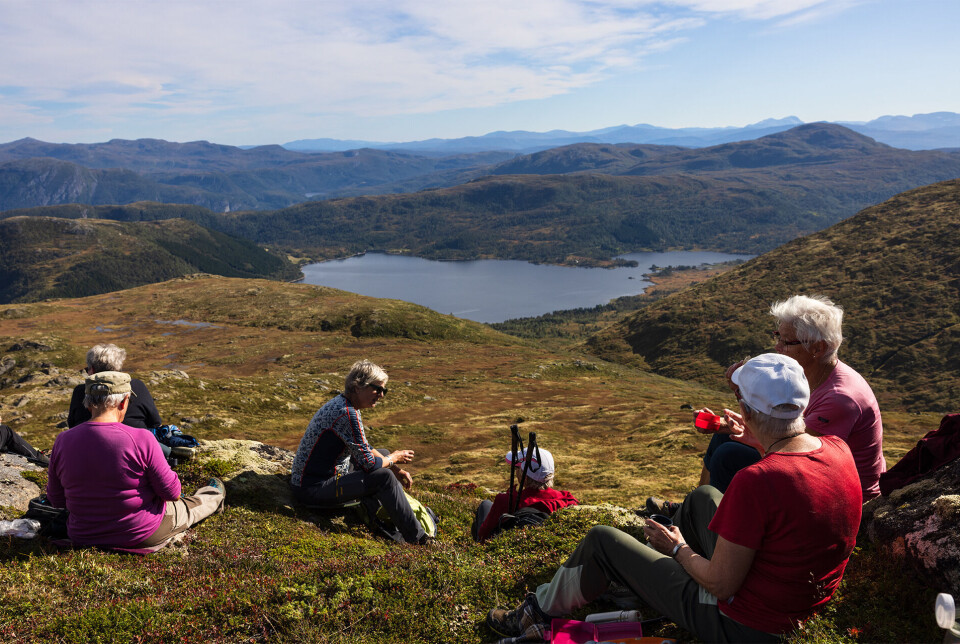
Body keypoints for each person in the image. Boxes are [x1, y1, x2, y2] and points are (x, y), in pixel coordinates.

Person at [488, 354, 862, 643]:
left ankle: (535, 614)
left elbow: (722, 585)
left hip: (745, 625)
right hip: (796, 605)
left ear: (747, 411)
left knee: (603, 541)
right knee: (703, 497)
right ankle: (646, 581)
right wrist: (757, 438)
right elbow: (792, 468)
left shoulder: (758, 481)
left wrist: (678, 549)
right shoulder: (838, 450)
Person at [693, 294, 884, 499]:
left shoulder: (840, 399)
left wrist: (743, 397)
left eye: (787, 342)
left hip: (842, 493)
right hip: (814, 468)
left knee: (729, 456)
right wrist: (730, 423)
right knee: (723, 437)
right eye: (778, 336)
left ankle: (710, 525)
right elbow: (784, 432)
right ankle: (694, 507)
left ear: (817, 348)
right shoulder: (811, 376)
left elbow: (794, 454)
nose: (777, 347)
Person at [46, 371, 224, 549]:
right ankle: (214, 494)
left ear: (88, 402)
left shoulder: (63, 440)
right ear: (123, 402)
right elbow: (172, 493)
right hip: (140, 533)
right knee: (191, 506)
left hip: (83, 535)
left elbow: (57, 500)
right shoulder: (141, 438)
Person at [290, 360, 427, 545]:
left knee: (383, 455)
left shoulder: (345, 405)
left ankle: (385, 518)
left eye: (383, 391)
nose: (381, 395)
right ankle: (418, 540)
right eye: (377, 389)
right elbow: (369, 464)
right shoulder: (346, 413)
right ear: (357, 386)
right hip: (311, 490)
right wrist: (394, 458)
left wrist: (396, 468)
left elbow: (364, 449)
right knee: (383, 476)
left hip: (318, 478)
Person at [67, 343, 193, 460]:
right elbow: (155, 422)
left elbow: (72, 426)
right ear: (124, 401)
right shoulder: (137, 386)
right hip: (138, 452)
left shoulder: (80, 391)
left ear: (92, 370)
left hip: (86, 452)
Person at [472, 446, 578, 541]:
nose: (516, 471)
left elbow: (484, 535)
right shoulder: (566, 500)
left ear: (525, 477)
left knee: (485, 505)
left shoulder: (506, 501)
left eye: (517, 468)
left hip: (506, 549)